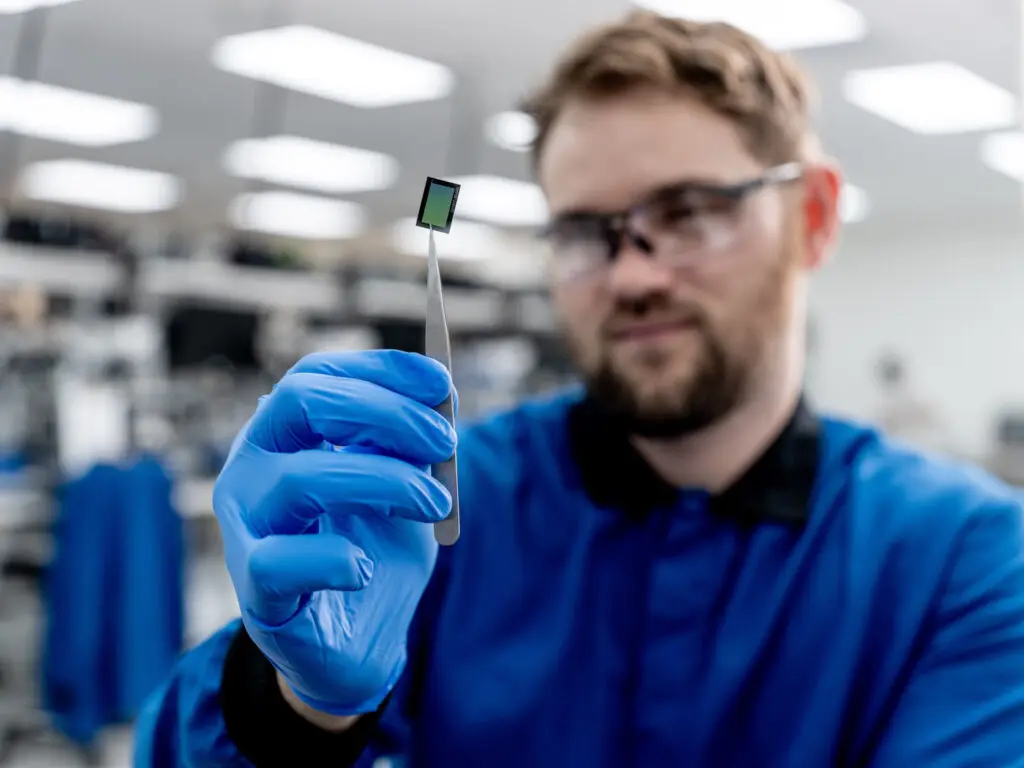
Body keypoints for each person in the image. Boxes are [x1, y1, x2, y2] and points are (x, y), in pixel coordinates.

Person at [133, 12, 1024, 767]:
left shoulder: (966, 561)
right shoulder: (437, 501)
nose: (631, 276)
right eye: (586, 230)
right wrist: (292, 704)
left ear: (814, 217)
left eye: (686, 213)